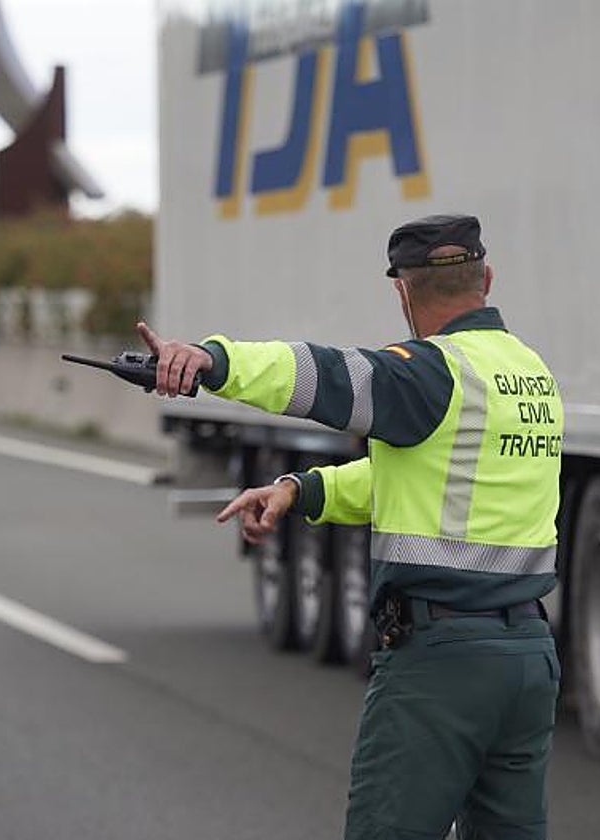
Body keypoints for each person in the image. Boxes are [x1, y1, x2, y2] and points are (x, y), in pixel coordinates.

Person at [137, 214, 563, 840]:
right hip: (527, 661)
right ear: (487, 279)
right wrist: (300, 490)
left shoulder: (428, 371)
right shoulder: (531, 374)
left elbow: (320, 375)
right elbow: (431, 480)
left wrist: (212, 361)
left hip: (441, 665)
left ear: (402, 291)